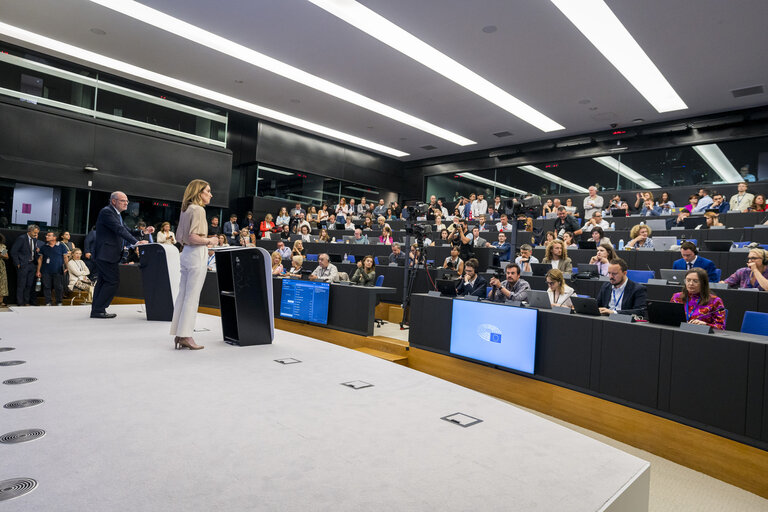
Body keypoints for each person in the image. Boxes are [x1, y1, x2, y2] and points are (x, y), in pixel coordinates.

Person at [169, 180, 218, 350]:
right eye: (208, 191)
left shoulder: (186, 209)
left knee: (183, 295)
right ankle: (186, 336)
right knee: (192, 297)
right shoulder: (198, 210)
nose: (210, 194)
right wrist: (210, 240)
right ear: (199, 193)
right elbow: (193, 237)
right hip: (196, 253)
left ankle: (179, 334)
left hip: (186, 254)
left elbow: (181, 237)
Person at [91, 192, 153, 318]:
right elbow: (119, 230)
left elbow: (127, 230)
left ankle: (97, 309)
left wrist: (143, 232)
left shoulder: (116, 214)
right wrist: (136, 242)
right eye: (123, 201)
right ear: (113, 201)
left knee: (103, 281)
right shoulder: (107, 212)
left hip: (108, 254)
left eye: (127, 201)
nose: (126, 203)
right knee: (112, 281)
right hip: (106, 254)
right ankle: (99, 309)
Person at [11, 224, 42, 306]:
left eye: (37, 233)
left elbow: (31, 251)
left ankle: (26, 301)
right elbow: (13, 251)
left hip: (32, 265)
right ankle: (20, 303)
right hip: (23, 265)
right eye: (35, 232)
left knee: (29, 284)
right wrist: (17, 263)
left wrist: (36, 251)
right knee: (21, 284)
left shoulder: (34, 240)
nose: (36, 234)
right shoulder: (21, 238)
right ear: (29, 231)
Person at [36, 231, 69, 306]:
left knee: (58, 287)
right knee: (46, 286)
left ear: (54, 237)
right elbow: (40, 259)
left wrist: (67, 268)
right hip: (45, 271)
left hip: (58, 270)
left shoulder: (61, 246)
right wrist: (38, 271)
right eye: (46, 235)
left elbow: (65, 257)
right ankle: (48, 302)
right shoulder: (43, 247)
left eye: (49, 235)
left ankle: (59, 302)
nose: (46, 237)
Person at [0, 233, 7, 307]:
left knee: (2, 283)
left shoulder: (2, 247)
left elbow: (6, 256)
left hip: (1, 267)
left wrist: (1, 254)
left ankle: (1, 302)